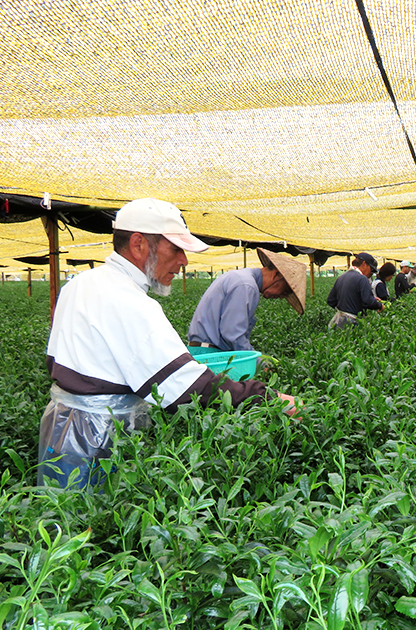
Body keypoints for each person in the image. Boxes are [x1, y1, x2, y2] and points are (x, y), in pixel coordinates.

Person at [39, 198, 298, 489]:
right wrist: (265, 397)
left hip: (60, 427)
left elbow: (54, 359)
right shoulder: (130, 302)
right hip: (99, 439)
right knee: (92, 510)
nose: (184, 261)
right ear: (138, 244)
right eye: (175, 249)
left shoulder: (80, 284)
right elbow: (184, 387)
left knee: (58, 507)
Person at [187, 248, 306, 351]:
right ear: (276, 275)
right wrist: (258, 361)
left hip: (204, 349)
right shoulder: (246, 285)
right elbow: (233, 335)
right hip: (209, 353)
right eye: (284, 291)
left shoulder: (242, 278)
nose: (281, 296)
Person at [326, 252, 383, 328]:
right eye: (371, 269)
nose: (371, 273)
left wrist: (344, 309)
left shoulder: (341, 277)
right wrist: (380, 306)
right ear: (364, 264)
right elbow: (368, 302)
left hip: (339, 322)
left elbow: (331, 301)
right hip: (352, 324)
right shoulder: (362, 279)